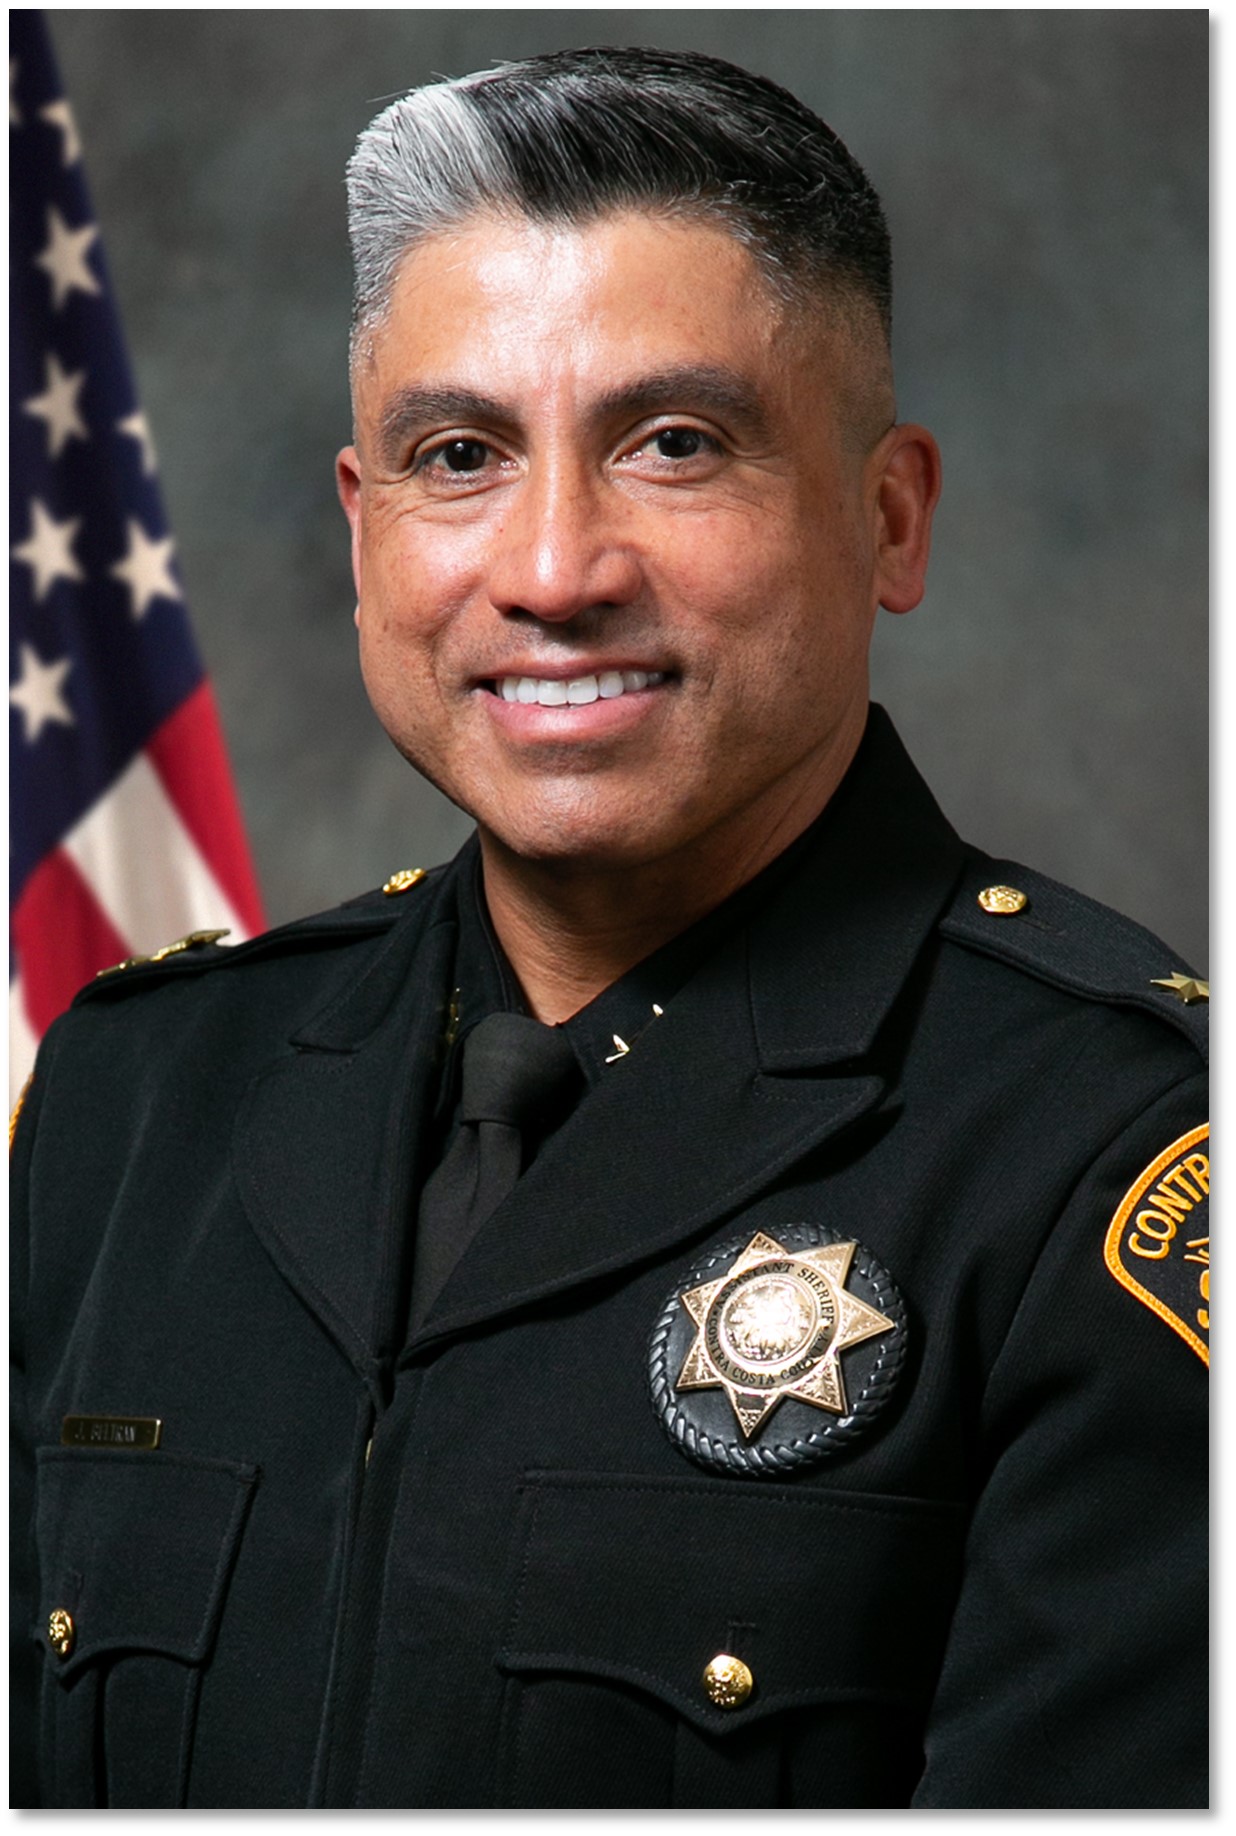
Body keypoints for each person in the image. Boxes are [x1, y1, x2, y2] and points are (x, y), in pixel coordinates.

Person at [10, 46, 1207, 1810]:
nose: (554, 570)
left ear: (888, 520)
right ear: (365, 531)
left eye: (674, 446)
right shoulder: (134, 1096)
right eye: (460, 455)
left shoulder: (1107, 1147)